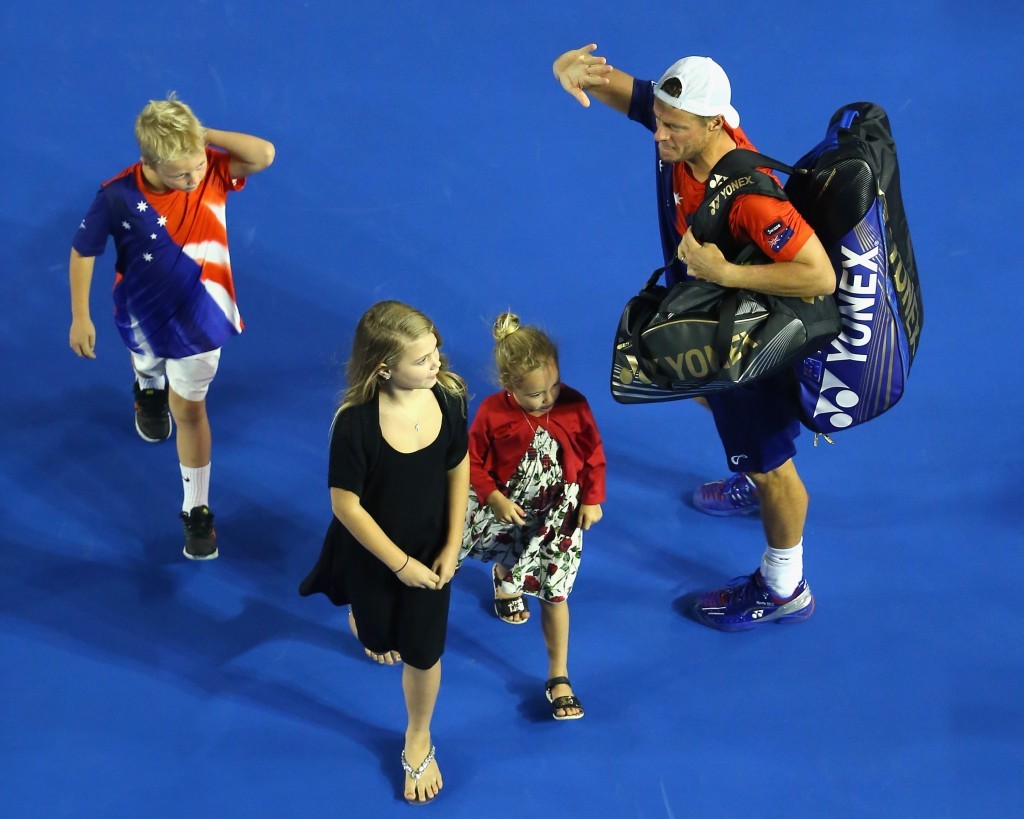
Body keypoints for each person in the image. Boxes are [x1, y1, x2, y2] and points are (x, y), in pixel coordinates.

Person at [552, 45, 835, 630]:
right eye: (660, 121)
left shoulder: (753, 197)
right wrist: (576, 74)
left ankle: (784, 586)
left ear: (714, 124)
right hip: (709, 323)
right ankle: (749, 475)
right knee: (704, 392)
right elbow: (631, 96)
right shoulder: (683, 130)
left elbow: (818, 275)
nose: (659, 135)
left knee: (774, 469)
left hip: (749, 346)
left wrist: (724, 272)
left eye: (673, 128)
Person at [68, 93, 275, 559]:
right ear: (150, 163)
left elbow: (263, 154)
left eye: (198, 165)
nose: (195, 178)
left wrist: (201, 139)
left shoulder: (213, 169)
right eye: (182, 173)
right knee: (146, 365)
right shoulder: (117, 196)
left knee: (190, 411)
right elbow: (84, 252)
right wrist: (80, 315)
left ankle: (195, 509)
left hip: (201, 323)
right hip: (140, 315)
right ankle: (146, 387)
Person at [299, 301, 469, 805]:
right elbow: (345, 505)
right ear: (384, 368)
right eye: (422, 360)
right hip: (374, 556)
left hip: (433, 551)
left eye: (435, 350)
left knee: (422, 650)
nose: (436, 364)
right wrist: (398, 564)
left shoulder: (450, 397)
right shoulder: (354, 424)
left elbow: (457, 468)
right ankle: (362, 617)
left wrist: (452, 543)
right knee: (377, 634)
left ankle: (418, 733)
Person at [459, 312, 605, 719]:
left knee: (555, 593)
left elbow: (593, 455)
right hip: (506, 506)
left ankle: (559, 675)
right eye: (536, 395)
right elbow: (472, 462)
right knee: (480, 551)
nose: (549, 398)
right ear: (508, 387)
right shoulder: (492, 412)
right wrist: (492, 498)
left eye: (554, 385)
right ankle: (505, 580)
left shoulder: (575, 406)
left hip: (559, 515)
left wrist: (592, 499)